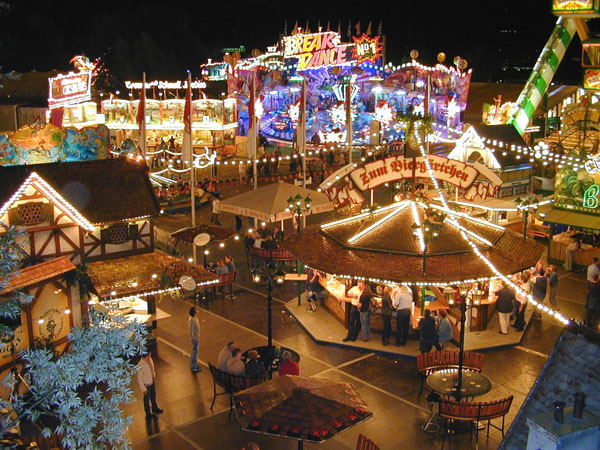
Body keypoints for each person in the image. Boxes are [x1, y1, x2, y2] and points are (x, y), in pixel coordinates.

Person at [137, 353, 163, 418]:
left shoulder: (150, 360)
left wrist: (153, 374)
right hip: (146, 384)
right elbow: (139, 378)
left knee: (153, 395)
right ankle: (148, 412)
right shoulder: (140, 365)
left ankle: (154, 407)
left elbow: (152, 368)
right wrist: (143, 389)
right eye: (149, 354)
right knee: (146, 399)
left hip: (151, 381)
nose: (150, 355)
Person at [188, 307, 201, 373]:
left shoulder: (194, 318)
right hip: (195, 339)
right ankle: (194, 365)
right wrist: (195, 338)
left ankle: (194, 364)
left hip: (196, 337)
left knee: (195, 351)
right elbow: (191, 330)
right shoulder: (192, 320)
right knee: (195, 352)